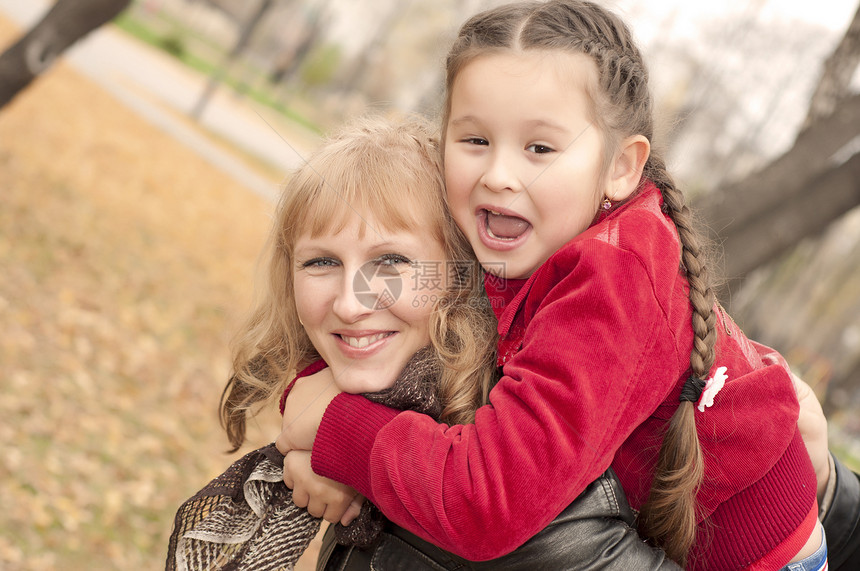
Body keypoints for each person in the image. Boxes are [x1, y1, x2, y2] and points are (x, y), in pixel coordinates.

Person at [276, 2, 841, 569]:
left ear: (621, 167)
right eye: (474, 140)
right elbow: (389, 329)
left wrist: (335, 427)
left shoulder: (614, 277)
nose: (498, 173)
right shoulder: (512, 236)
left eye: (540, 149)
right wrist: (314, 400)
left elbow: (486, 502)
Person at [168, 116, 679, 570]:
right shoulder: (389, 404)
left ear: (465, 276)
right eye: (321, 262)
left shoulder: (509, 460)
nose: (350, 303)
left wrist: (336, 436)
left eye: (392, 262)